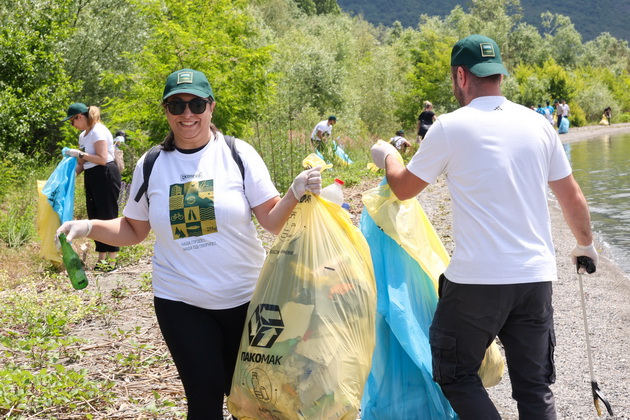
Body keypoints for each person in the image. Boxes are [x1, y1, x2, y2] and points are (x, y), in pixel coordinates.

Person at [56, 68, 322, 419]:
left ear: (211, 107)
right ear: (165, 110)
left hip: (247, 299)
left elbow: (272, 221)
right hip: (180, 301)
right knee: (204, 392)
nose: (187, 114)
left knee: (259, 398)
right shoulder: (152, 164)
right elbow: (134, 229)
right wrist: (87, 226)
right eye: (176, 105)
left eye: (196, 103)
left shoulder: (238, 154)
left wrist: (294, 191)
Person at [370, 34, 597, 420]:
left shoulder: (449, 127)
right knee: (534, 385)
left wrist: (389, 156)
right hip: (535, 278)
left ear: (461, 75)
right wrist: (585, 245)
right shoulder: (538, 124)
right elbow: (571, 195)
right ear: (499, 76)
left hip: (477, 282)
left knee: (455, 372)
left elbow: (405, 189)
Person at [62, 102, 121, 271]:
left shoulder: (98, 131)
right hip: (92, 175)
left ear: (79, 117)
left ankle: (112, 260)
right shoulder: (83, 136)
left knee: (107, 216)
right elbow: (82, 162)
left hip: (105, 173)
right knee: (95, 217)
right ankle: (101, 258)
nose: (72, 125)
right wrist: (69, 178)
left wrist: (79, 153)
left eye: (72, 121)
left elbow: (102, 158)